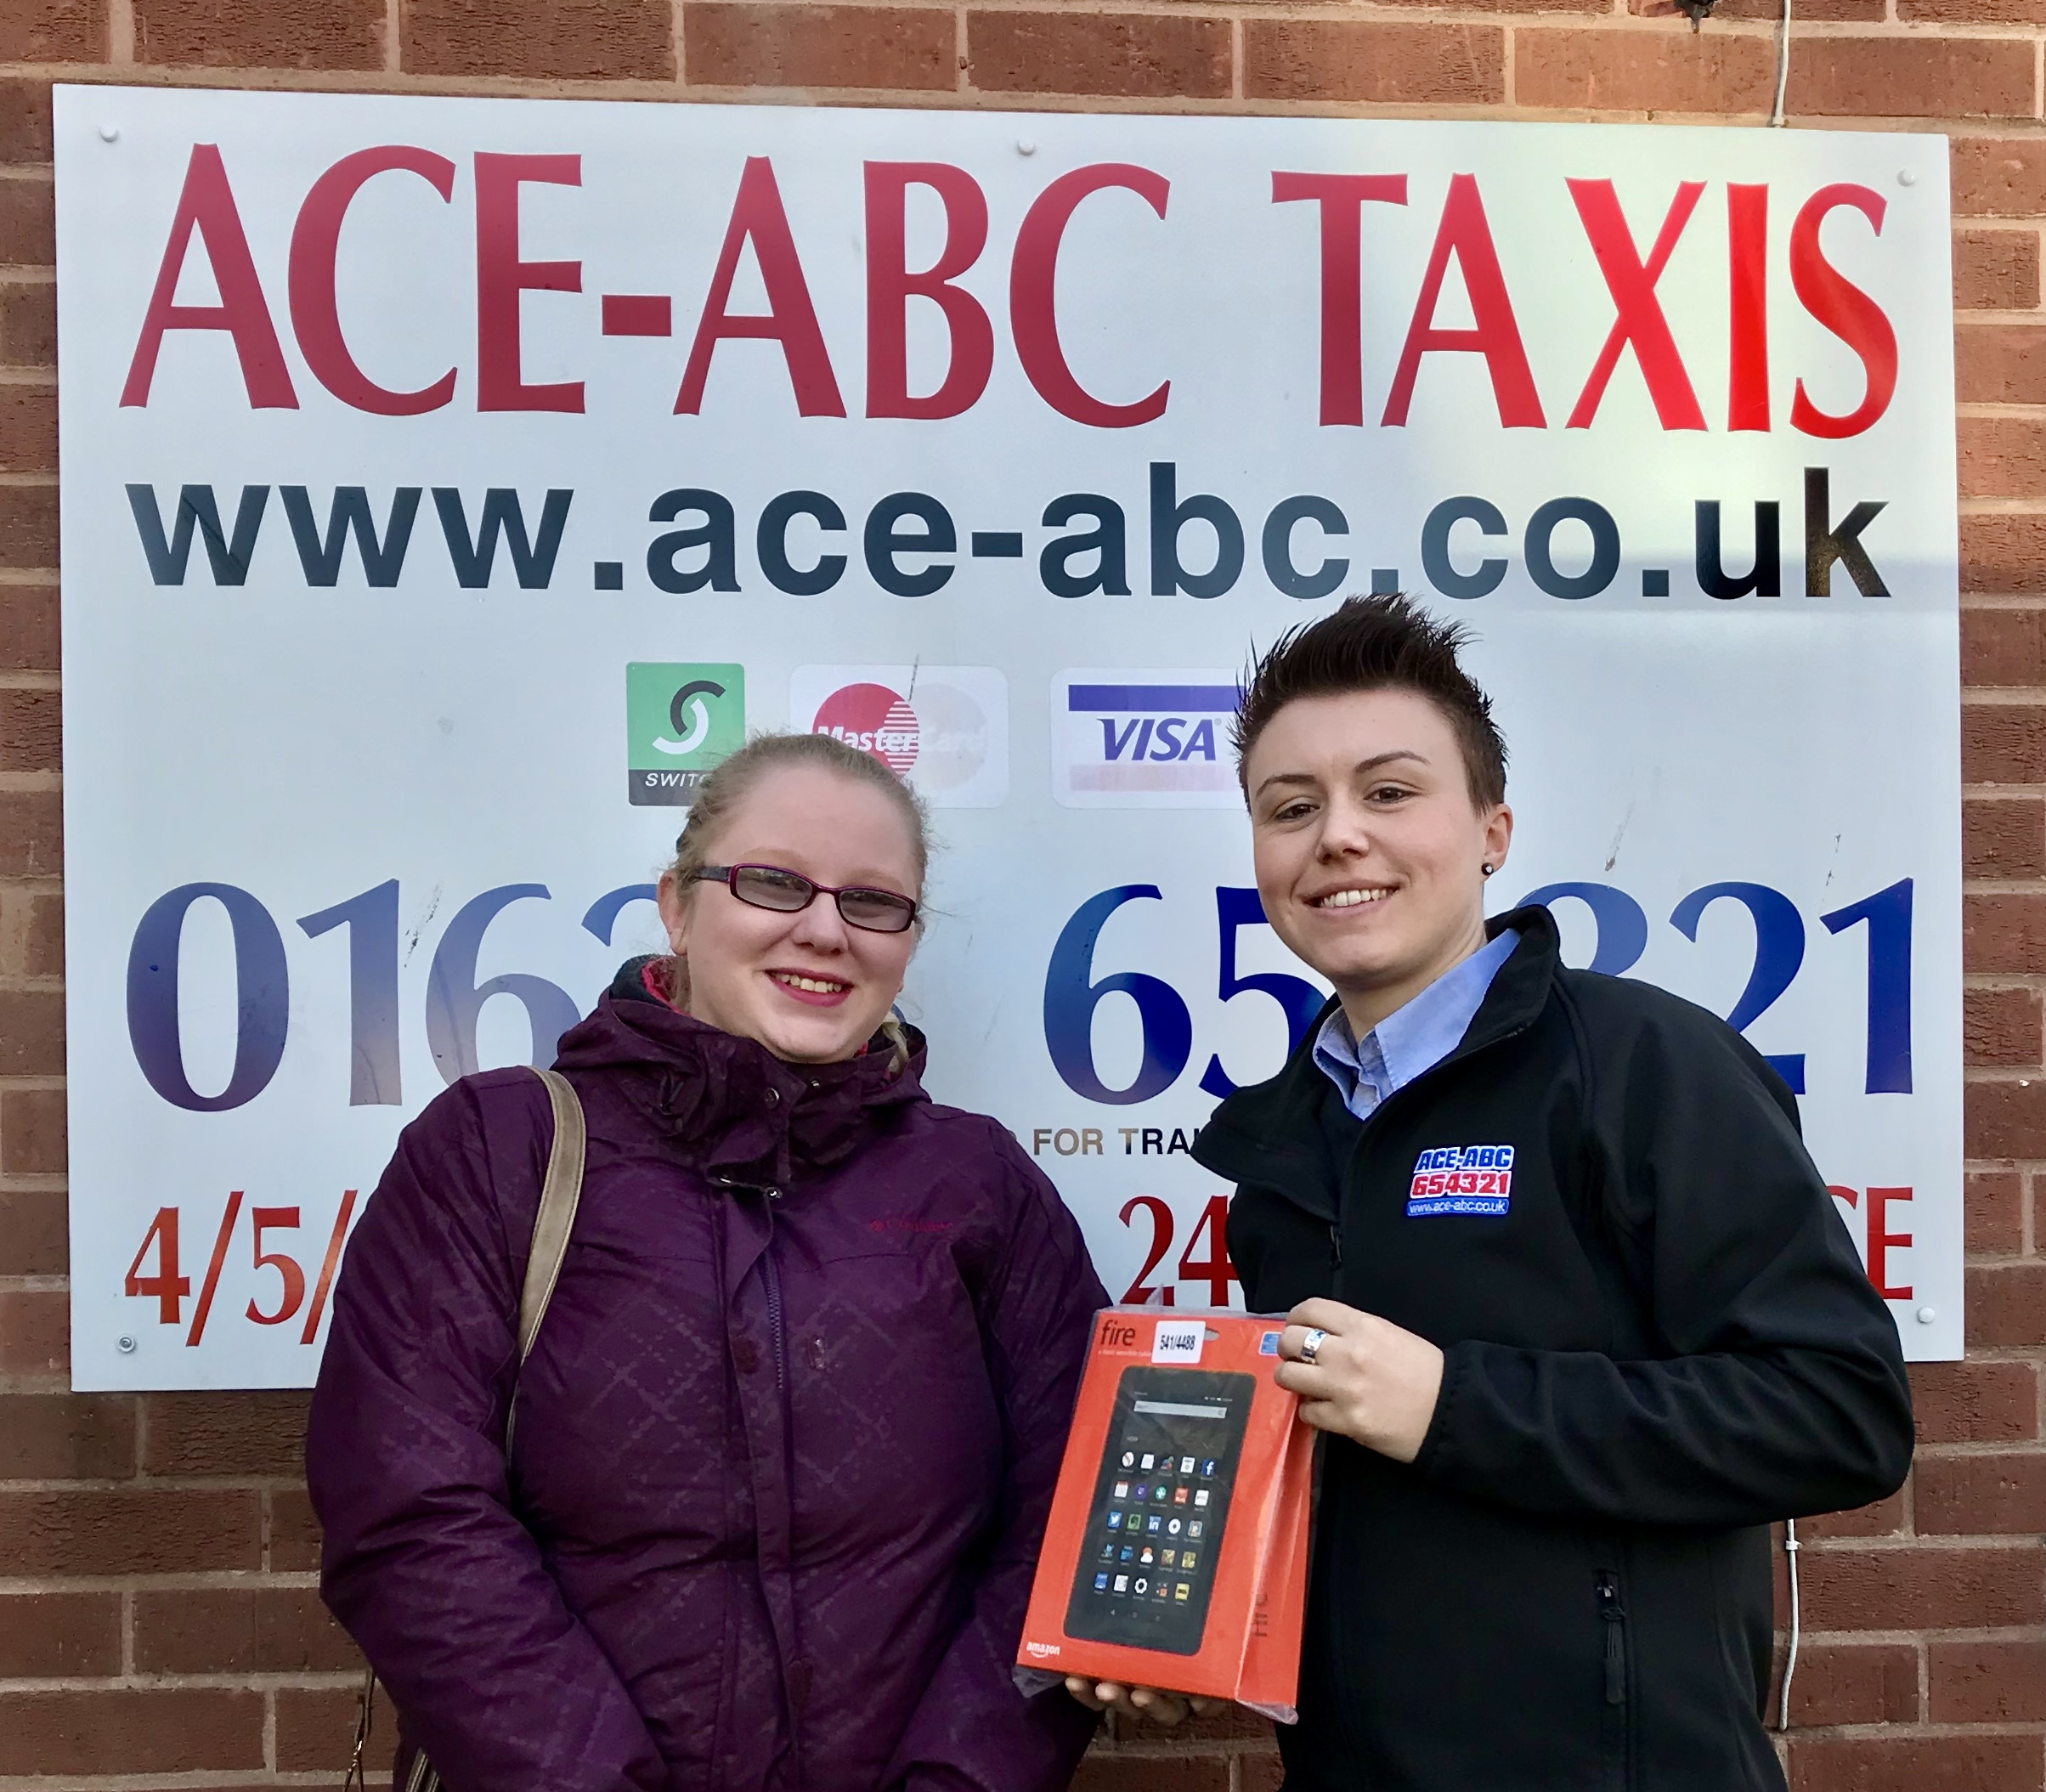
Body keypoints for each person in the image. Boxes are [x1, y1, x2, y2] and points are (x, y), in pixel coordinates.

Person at [1072, 595, 1913, 1789]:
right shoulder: (1276, 1147)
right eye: (1290, 808)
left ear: (1491, 830)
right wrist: (1186, 1626)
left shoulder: (1643, 1066)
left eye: (1389, 792)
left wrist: (1453, 1405)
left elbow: (1839, 1413)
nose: (1338, 837)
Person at [308, 731, 1106, 1792]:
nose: (824, 930)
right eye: (772, 883)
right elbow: (409, 1517)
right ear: (676, 907)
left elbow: (1073, 1515)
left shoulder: (976, 1184)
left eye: (873, 902)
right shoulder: (498, 1151)